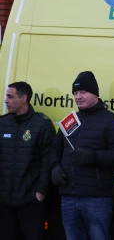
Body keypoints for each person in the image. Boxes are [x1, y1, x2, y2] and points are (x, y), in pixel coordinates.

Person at [50, 71, 114, 240]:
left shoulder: (113, 121)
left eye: (83, 92)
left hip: (97, 198)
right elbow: (54, 150)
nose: (78, 96)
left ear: (95, 94)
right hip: (69, 196)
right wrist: (54, 167)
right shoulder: (69, 121)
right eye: (75, 93)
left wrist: (93, 157)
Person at [0, 81, 56, 240]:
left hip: (30, 200)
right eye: (6, 96)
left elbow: (48, 160)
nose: (6, 101)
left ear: (23, 98)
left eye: (10, 97)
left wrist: (41, 191)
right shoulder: (3, 123)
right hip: (4, 201)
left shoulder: (42, 124)